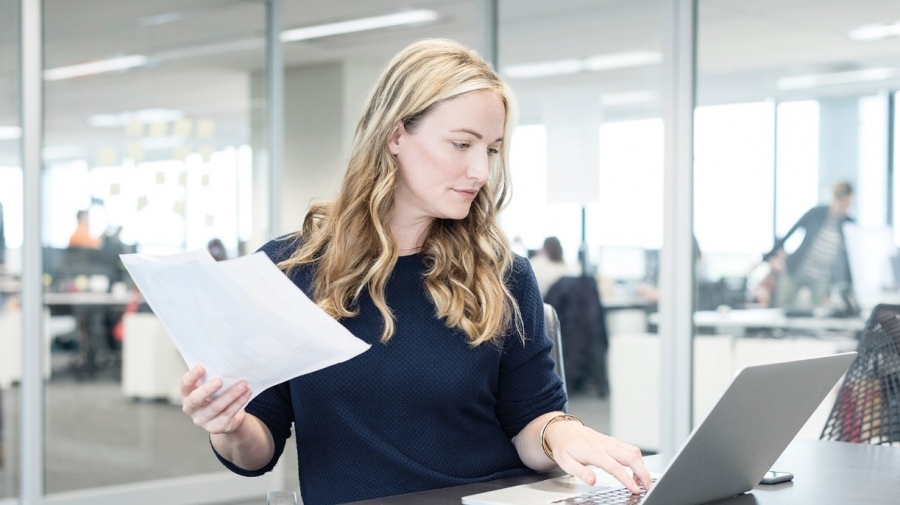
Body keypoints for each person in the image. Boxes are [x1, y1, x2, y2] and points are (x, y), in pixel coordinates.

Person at [179, 39, 651, 505]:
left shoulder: (503, 274)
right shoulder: (290, 272)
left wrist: (561, 434)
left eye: (490, 150)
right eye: (462, 144)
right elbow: (256, 450)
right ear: (395, 135)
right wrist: (232, 425)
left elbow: (531, 420)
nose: (481, 172)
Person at [765, 182, 854, 309]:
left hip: (821, 278)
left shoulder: (848, 224)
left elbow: (849, 259)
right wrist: (767, 257)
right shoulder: (816, 213)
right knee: (781, 308)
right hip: (796, 270)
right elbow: (790, 233)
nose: (843, 206)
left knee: (820, 314)